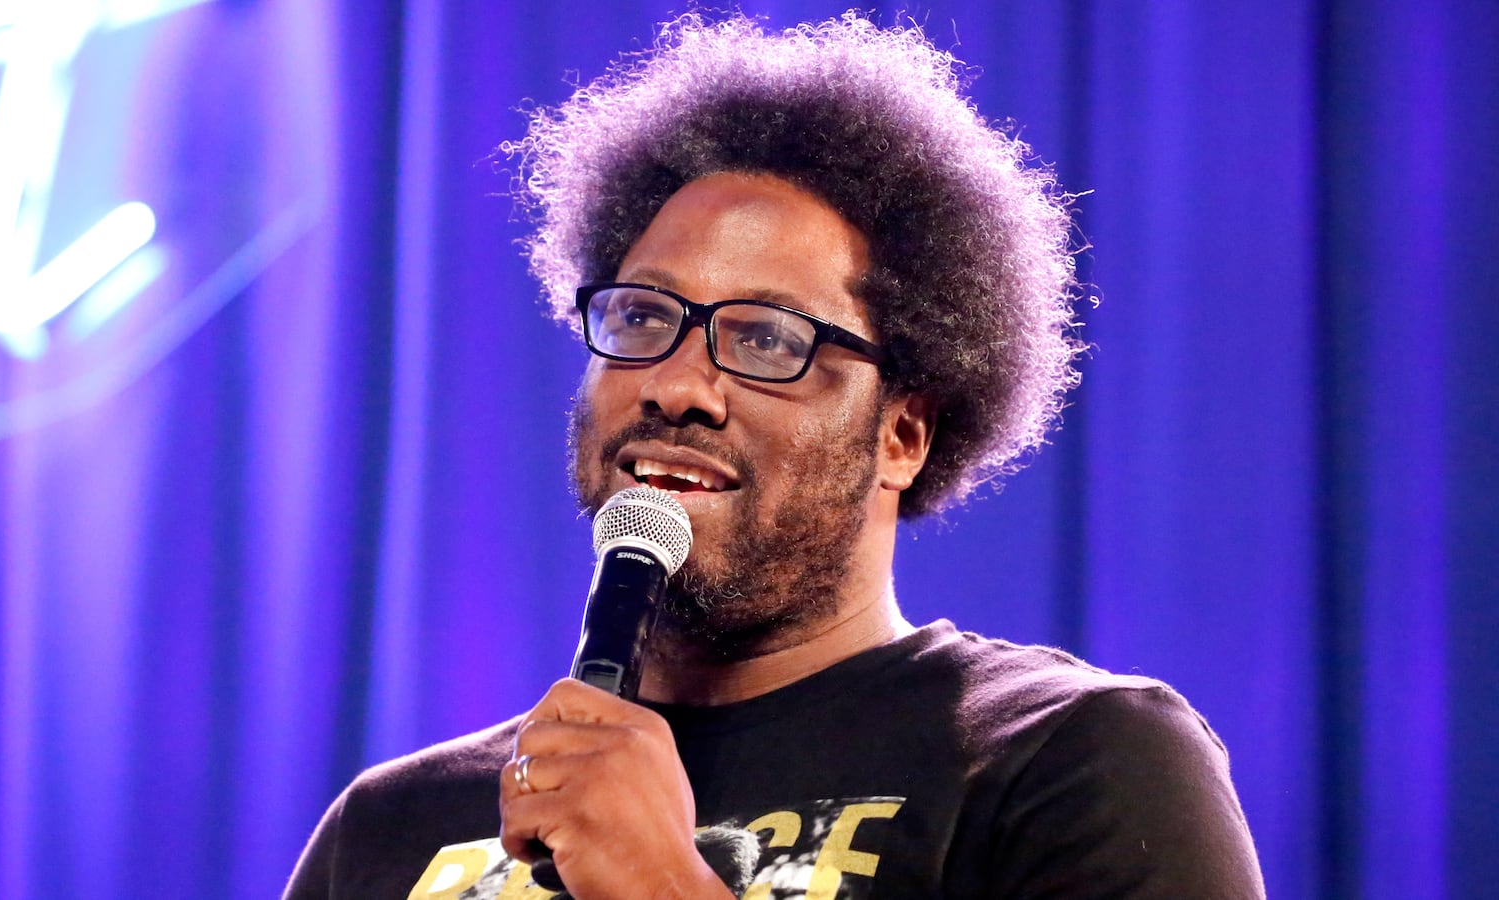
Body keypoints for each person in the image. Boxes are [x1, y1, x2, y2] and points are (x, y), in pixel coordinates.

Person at [284, 13, 1264, 899]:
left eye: (762, 339)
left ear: (902, 434)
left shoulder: (1066, 762)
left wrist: (662, 887)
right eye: (642, 316)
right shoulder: (391, 827)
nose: (674, 384)